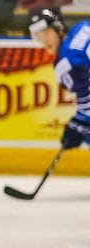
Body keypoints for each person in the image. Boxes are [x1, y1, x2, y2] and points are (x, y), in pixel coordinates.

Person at [30, 10, 90, 151]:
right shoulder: (82, 26)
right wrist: (78, 122)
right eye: (39, 37)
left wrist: (78, 126)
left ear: (59, 29)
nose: (44, 41)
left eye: (46, 33)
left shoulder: (66, 63)